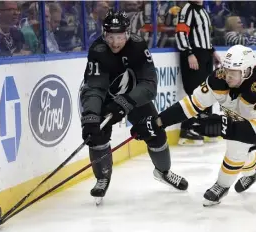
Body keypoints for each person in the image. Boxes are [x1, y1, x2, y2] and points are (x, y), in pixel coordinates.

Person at [130, 45, 256, 207]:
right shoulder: (218, 78)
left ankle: (222, 185)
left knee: (238, 143)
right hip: (248, 112)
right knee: (239, 141)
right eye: (226, 70)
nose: (227, 76)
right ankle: (254, 171)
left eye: (233, 72)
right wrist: (158, 122)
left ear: (247, 72)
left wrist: (221, 126)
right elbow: (191, 104)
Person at [80, 10, 188, 204]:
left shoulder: (137, 47)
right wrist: (90, 116)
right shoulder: (98, 50)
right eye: (111, 37)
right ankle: (102, 178)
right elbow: (94, 88)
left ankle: (163, 172)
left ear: (127, 34)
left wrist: (123, 104)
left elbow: (149, 85)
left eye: (119, 36)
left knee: (155, 132)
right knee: (97, 135)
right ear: (104, 34)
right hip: (104, 98)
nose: (115, 42)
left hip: (133, 96)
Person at [175, 0, 221, 146]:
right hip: (194, 54)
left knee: (207, 90)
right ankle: (188, 128)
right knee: (196, 91)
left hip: (205, 55)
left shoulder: (202, 10)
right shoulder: (187, 10)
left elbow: (205, 35)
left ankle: (204, 126)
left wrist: (212, 51)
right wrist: (189, 53)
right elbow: (181, 33)